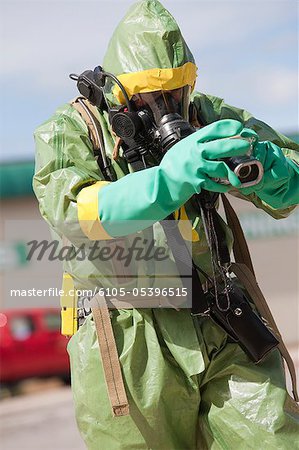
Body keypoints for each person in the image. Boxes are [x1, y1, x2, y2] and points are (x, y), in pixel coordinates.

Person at [33, 1, 299, 449]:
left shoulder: (205, 114)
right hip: (125, 337)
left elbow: (293, 178)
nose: (167, 108)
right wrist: (168, 180)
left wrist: (272, 168)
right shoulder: (69, 130)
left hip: (222, 320)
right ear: (115, 90)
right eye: (149, 97)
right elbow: (74, 212)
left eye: (177, 92)